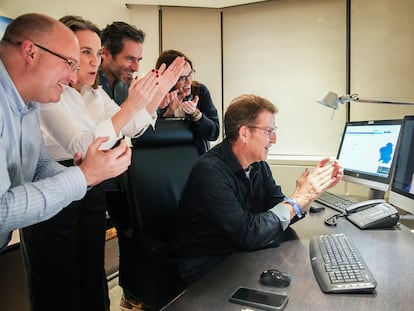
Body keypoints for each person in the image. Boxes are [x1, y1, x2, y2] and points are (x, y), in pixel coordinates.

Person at [19, 15, 185, 311]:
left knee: (92, 279)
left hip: (91, 188)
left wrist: (157, 92)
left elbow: (131, 127)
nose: (93, 61)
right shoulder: (47, 93)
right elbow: (84, 146)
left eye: (97, 53)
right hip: (55, 189)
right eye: (85, 52)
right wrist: (131, 105)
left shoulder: (94, 94)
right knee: (58, 286)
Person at [169, 94, 344, 284]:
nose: (274, 139)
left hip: (239, 253)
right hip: (207, 266)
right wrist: (298, 199)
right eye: (268, 131)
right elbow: (248, 233)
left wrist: (309, 193)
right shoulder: (210, 171)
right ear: (244, 133)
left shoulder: (258, 165)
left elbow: (280, 210)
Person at [156, 49, 220, 154]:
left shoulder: (200, 91)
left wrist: (196, 114)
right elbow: (148, 136)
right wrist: (169, 112)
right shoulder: (156, 96)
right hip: (165, 155)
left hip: (197, 156)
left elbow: (214, 134)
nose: (189, 82)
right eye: (182, 78)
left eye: (190, 74)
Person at [99, 21, 145, 105]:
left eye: (138, 60)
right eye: (130, 59)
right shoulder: (88, 85)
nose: (136, 68)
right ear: (105, 53)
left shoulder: (127, 87)